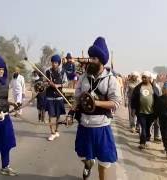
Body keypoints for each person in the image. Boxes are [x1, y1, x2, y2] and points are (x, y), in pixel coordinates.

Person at [73, 37, 121, 180]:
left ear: (101, 60)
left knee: (104, 161)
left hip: (101, 125)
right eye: (90, 57)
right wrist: (72, 112)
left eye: (94, 58)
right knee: (82, 154)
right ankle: (88, 163)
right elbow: (77, 97)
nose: (91, 60)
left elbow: (116, 102)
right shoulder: (83, 77)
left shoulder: (111, 79)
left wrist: (97, 103)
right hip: (84, 124)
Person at [131, 71, 160, 149]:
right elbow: (133, 99)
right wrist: (133, 110)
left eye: (145, 77)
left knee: (148, 127)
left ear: (149, 78)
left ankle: (147, 138)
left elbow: (158, 100)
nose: (143, 79)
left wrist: (158, 112)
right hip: (141, 112)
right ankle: (142, 142)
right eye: (142, 77)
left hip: (151, 112)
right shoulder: (138, 88)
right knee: (143, 127)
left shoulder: (154, 88)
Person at [45, 54, 68, 141]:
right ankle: (52, 133)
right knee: (51, 115)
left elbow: (66, 83)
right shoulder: (48, 72)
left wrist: (58, 85)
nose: (54, 64)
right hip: (50, 97)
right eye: (53, 62)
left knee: (58, 115)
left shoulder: (62, 72)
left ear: (59, 63)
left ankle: (57, 130)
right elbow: (45, 83)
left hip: (59, 97)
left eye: (56, 62)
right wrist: (48, 84)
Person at [151, 73, 162, 143]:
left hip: (156, 107)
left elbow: (159, 96)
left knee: (156, 122)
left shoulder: (157, 87)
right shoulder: (146, 86)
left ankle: (156, 136)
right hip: (149, 106)